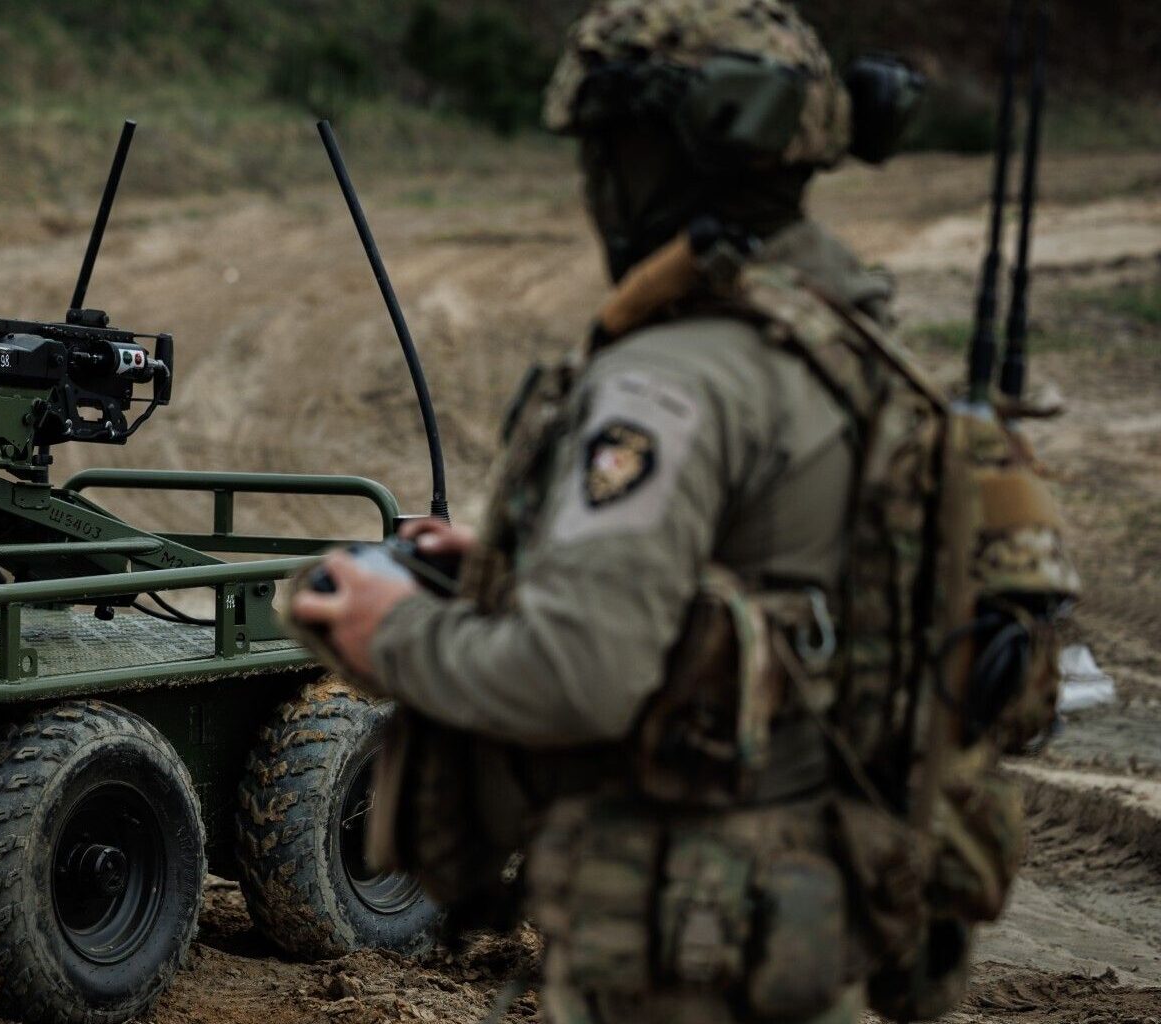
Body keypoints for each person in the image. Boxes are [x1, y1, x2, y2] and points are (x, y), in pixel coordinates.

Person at [287, 1, 1048, 1021]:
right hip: (827, 914)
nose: (596, 185)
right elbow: (798, 594)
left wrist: (397, 633)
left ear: (662, 155)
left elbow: (579, 675)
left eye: (607, 151)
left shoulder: (673, 380)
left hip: (697, 949)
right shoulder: (848, 345)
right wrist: (530, 566)